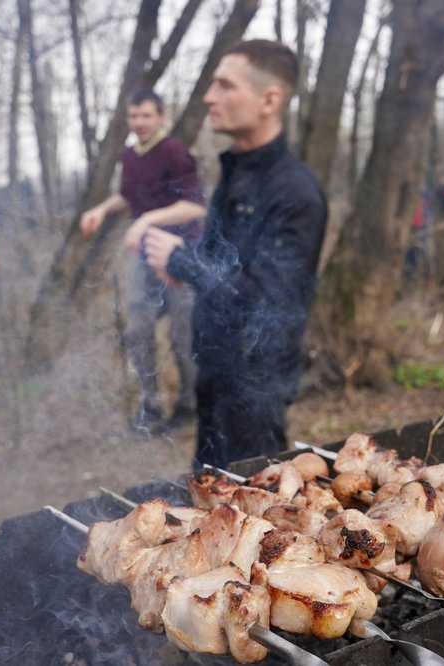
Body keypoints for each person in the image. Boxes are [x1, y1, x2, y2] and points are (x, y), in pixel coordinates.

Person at [142, 40, 328, 468]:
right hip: (215, 373)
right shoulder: (235, 174)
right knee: (206, 504)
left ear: (269, 100)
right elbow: (225, 264)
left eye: (225, 85)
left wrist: (181, 260)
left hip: (255, 388)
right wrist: (185, 266)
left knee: (254, 513)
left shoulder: (296, 191)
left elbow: (265, 297)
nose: (210, 96)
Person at [80, 90, 207, 435]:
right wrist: (101, 209)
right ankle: (150, 407)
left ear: (161, 116)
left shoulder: (175, 153)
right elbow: (127, 195)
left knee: (183, 336)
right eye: (134, 116)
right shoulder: (130, 155)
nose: (139, 123)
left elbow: (196, 207)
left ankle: (189, 406)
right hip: (144, 258)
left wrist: (147, 219)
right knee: (138, 330)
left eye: (146, 116)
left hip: (182, 255)